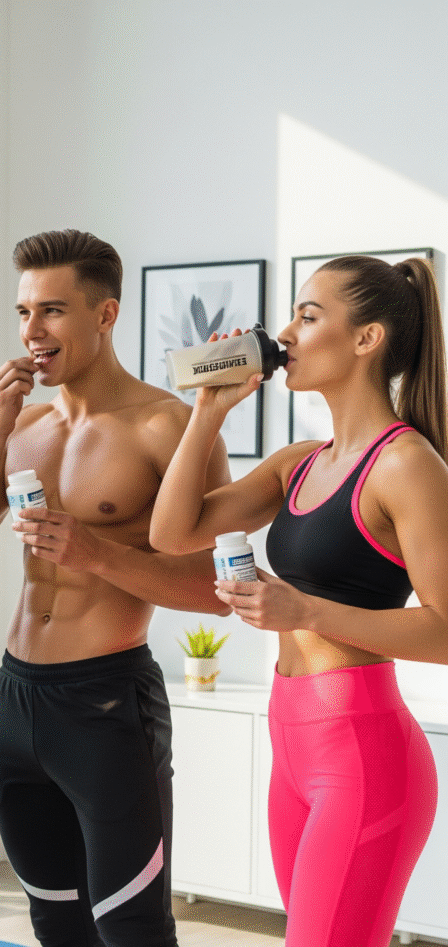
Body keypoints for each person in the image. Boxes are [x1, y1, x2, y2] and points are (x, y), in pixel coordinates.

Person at [0, 229, 232, 946]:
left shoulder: (169, 427)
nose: (33, 331)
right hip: (19, 697)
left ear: (105, 314)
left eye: (53, 311)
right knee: (54, 921)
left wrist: (96, 553)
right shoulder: (24, 425)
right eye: (25, 312)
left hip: (106, 703)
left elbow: (219, 587)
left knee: (131, 925)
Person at [149, 255, 447, 947]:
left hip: (363, 754)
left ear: (366, 338)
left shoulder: (407, 464)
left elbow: (444, 630)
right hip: (294, 745)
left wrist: (304, 611)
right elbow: (171, 532)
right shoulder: (299, 462)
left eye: (308, 317)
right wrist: (207, 413)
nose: (286, 333)